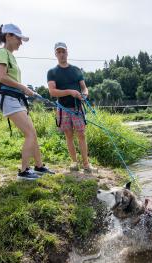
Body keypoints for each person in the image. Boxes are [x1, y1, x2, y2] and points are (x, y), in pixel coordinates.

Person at [0, 24, 54, 181]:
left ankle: (39, 167)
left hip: (16, 98)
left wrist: (23, 90)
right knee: (30, 133)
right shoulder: (1, 53)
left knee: (32, 133)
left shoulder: (10, 55)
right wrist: (24, 87)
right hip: (9, 99)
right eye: (19, 38)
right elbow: (2, 77)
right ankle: (24, 171)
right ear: (8, 36)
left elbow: (10, 79)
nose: (21, 42)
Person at [47, 42, 97, 173]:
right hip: (63, 108)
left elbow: (84, 87)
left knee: (81, 134)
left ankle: (86, 164)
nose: (61, 54)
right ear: (55, 54)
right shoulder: (52, 72)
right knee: (68, 135)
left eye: (63, 51)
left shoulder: (76, 70)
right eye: (59, 52)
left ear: (67, 52)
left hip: (77, 108)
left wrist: (85, 94)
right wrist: (70, 92)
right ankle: (74, 163)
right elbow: (52, 92)